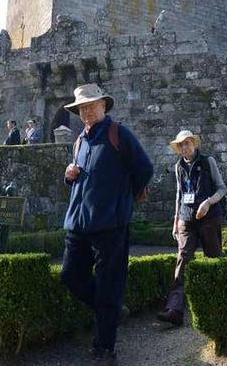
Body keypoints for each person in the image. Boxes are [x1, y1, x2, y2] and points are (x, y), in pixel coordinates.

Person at [59, 84, 153, 364]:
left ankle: (105, 348)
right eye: (82, 107)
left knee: (109, 285)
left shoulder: (118, 134)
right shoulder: (80, 141)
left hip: (110, 225)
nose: (86, 110)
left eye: (91, 105)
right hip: (77, 224)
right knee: (70, 276)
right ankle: (111, 311)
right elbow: (79, 178)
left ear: (103, 105)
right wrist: (68, 174)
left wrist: (123, 200)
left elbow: (144, 169)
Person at [157, 130, 227, 326]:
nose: (185, 147)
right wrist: (176, 221)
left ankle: (220, 305)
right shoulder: (179, 167)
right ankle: (175, 311)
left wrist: (208, 203)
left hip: (209, 217)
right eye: (181, 145)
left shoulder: (207, 162)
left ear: (194, 144)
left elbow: (222, 188)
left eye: (188, 143)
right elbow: (179, 195)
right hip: (187, 219)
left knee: (214, 258)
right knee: (183, 260)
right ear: (178, 149)